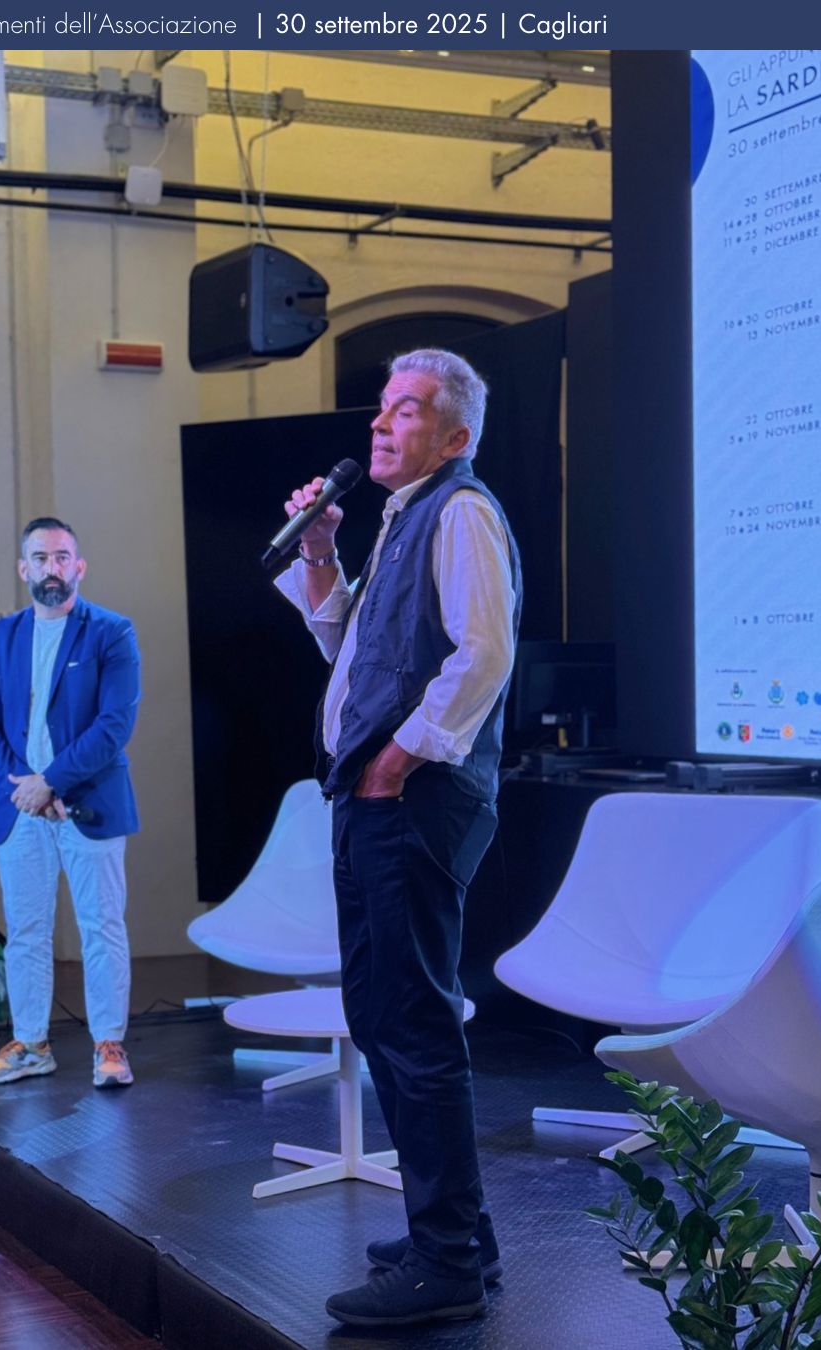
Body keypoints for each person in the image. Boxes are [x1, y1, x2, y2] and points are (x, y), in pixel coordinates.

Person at [275, 349, 521, 1327]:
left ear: (454, 436)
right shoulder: (402, 517)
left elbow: (485, 652)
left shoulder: (459, 511)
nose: (380, 423)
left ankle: (446, 1262)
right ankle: (459, 1234)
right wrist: (319, 551)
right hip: (377, 798)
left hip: (411, 799)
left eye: (406, 410)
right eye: (381, 407)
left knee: (412, 1021)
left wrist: (399, 759)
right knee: (384, 1015)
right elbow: (355, 649)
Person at [0, 516, 140, 1089]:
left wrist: (53, 782)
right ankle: (31, 1044)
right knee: (26, 931)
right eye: (40, 558)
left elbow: (114, 725)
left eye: (62, 557)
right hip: (21, 808)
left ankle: (109, 1045)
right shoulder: (1, 637)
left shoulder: (111, 632)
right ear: (24, 568)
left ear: (79, 567)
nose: (52, 568)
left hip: (89, 804)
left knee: (102, 927)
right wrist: (27, 786)